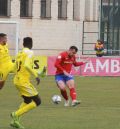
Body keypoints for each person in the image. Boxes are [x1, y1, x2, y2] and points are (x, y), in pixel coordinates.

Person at [10, 37, 42, 129]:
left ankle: (15, 122)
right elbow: (27, 65)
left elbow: (14, 68)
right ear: (31, 44)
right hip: (23, 81)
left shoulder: (19, 53)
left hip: (17, 80)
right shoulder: (30, 52)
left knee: (27, 100)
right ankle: (15, 114)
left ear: (23, 44)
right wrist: (36, 75)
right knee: (38, 101)